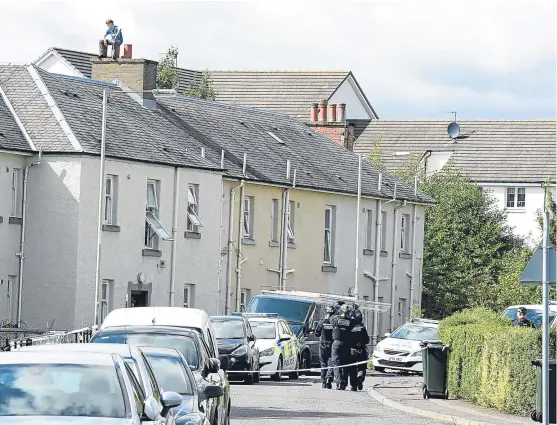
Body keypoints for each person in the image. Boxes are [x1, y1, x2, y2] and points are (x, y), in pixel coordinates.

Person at [330, 303, 354, 390]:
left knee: (336, 363)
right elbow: (357, 320)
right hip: (346, 345)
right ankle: (344, 383)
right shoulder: (350, 321)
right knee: (345, 364)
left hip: (337, 344)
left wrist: (335, 308)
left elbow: (330, 317)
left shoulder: (335, 319)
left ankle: (339, 383)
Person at [348, 306, 370, 391]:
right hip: (361, 350)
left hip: (351, 351)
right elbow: (367, 340)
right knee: (361, 367)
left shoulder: (349, 326)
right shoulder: (362, 327)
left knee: (352, 369)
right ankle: (360, 377)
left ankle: (353, 386)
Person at [314, 305, 335, 389]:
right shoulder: (335, 322)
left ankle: (323, 381)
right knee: (331, 363)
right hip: (332, 345)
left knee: (323, 364)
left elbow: (317, 333)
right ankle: (329, 379)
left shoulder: (322, 322)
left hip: (323, 345)